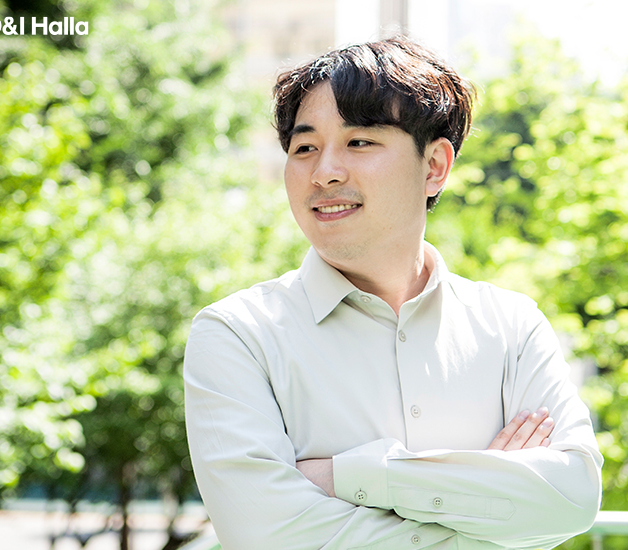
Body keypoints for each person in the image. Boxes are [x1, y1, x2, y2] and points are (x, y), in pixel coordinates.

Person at [184, 36, 603, 550]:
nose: (324, 172)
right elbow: (265, 535)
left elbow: (572, 497)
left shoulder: (512, 326)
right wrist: (489, 504)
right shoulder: (237, 335)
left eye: (359, 142)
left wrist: (351, 476)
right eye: (305, 148)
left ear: (435, 167)